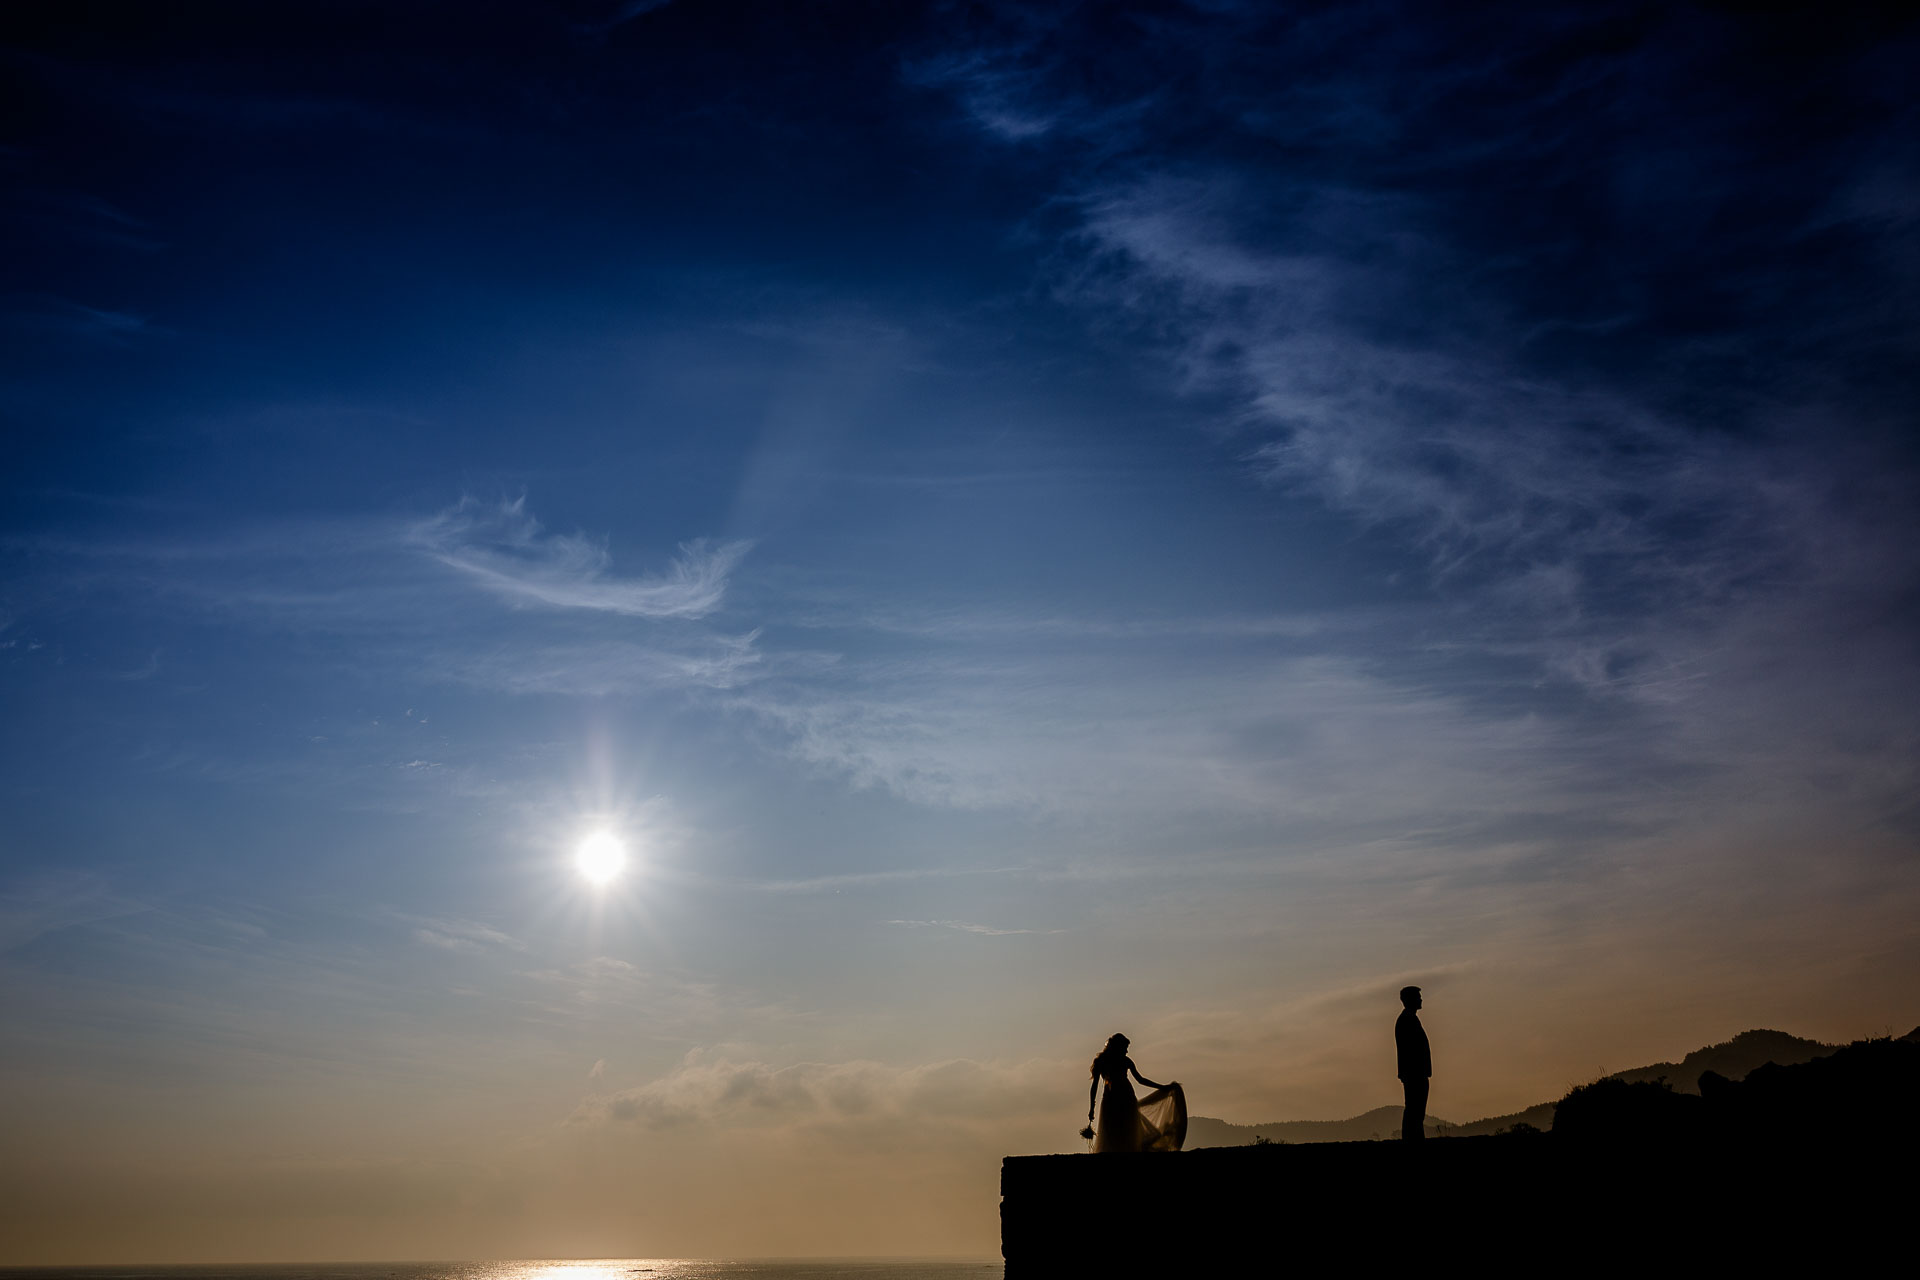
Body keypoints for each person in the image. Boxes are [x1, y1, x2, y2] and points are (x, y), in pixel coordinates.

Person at [1085, 1033, 1187, 1152]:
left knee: (1122, 1127)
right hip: (1116, 1098)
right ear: (1118, 1047)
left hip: (1121, 1097)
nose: (1127, 1051)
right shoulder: (1111, 1061)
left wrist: (1161, 1087)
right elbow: (1140, 1080)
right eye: (1125, 1048)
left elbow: (1140, 1080)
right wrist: (1092, 1107)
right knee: (1118, 1127)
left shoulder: (1109, 1061)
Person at [1396, 986, 1430, 1142]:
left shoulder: (1409, 1019)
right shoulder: (1407, 1020)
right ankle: (1413, 1140)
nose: (1421, 999)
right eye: (1418, 996)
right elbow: (1410, 1049)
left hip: (1415, 1073)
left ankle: (1414, 1139)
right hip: (1414, 1073)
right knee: (1414, 1110)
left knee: (1416, 1110)